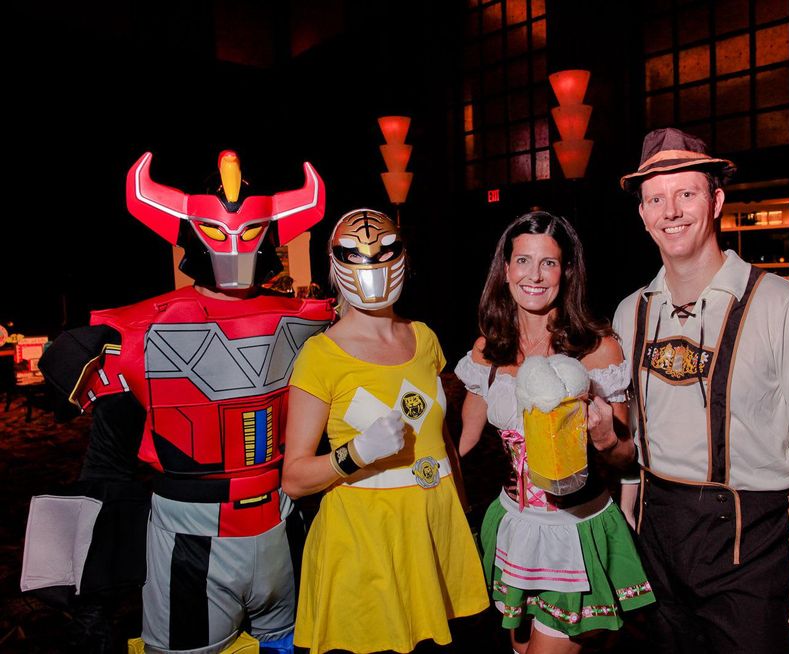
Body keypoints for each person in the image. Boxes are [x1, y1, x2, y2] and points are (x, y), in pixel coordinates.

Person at [24, 151, 334, 653]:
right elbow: (106, 461)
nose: (234, 247)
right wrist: (93, 588)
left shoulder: (307, 318)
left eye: (249, 231)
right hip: (188, 534)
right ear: (191, 234)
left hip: (282, 521)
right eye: (217, 232)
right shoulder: (135, 333)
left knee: (291, 642)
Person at [611, 128, 789, 653]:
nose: (671, 210)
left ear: (717, 200)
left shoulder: (782, 304)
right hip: (657, 532)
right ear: (641, 214)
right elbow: (632, 432)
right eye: (655, 198)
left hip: (752, 537)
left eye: (686, 193)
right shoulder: (631, 311)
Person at [282, 208, 488, 654]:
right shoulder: (321, 355)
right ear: (336, 264)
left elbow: (443, 441)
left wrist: (464, 516)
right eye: (354, 254)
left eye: (383, 252)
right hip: (365, 540)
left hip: (434, 529)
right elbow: (294, 480)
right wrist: (356, 452)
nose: (371, 264)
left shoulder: (424, 337)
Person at [454, 211, 655, 654]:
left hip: (574, 533)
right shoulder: (489, 349)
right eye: (523, 261)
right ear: (505, 271)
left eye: (549, 263)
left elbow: (626, 458)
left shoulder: (597, 348)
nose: (535, 275)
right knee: (520, 648)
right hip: (513, 524)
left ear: (566, 272)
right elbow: (462, 443)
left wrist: (603, 437)